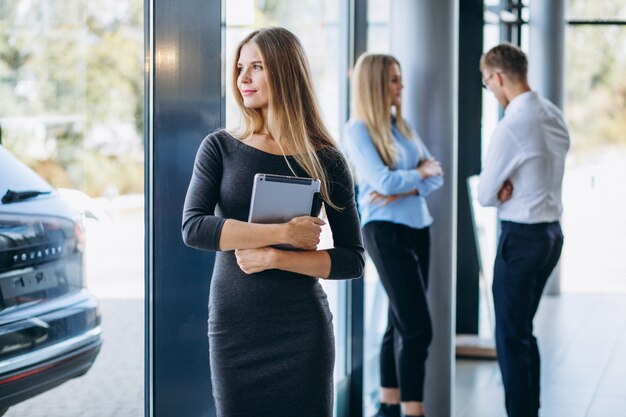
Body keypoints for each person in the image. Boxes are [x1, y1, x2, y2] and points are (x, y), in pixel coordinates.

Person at [181, 27, 365, 417]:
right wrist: (282, 234)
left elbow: (353, 259)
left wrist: (277, 258)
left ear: (285, 72)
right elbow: (194, 227)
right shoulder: (220, 147)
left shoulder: (327, 158)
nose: (242, 79)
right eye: (240, 68)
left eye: (257, 67)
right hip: (236, 330)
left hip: (302, 331)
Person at [343, 53, 444, 417]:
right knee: (419, 329)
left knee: (399, 322)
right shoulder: (357, 129)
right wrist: (414, 176)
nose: (402, 86)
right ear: (375, 84)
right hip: (384, 231)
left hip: (419, 227)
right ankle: (413, 411)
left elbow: (437, 176)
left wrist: (402, 185)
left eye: (400, 78)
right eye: (394, 79)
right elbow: (384, 181)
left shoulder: (403, 127)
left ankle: (389, 405)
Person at [478, 43, 570, 417]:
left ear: (497, 77)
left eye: (487, 83)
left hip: (521, 239)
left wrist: (500, 189)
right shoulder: (553, 114)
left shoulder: (512, 126)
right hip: (551, 236)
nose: (490, 90)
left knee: (510, 338)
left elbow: (485, 193)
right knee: (523, 333)